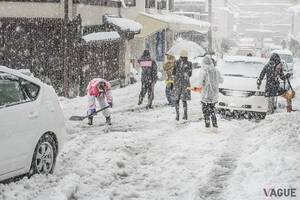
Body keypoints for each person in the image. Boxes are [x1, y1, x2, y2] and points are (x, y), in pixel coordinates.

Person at [198, 55, 223, 128]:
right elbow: (221, 80)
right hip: (214, 96)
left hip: (205, 96)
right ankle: (215, 126)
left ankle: (208, 127)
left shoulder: (203, 72)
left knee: (206, 113)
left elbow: (200, 84)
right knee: (212, 112)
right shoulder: (216, 70)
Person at [173, 50, 192, 121]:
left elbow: (173, 72)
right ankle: (185, 114)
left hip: (178, 83)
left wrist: (178, 73)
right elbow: (190, 74)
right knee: (183, 100)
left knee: (177, 100)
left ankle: (178, 115)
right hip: (184, 83)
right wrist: (185, 73)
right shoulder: (189, 63)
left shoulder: (177, 62)